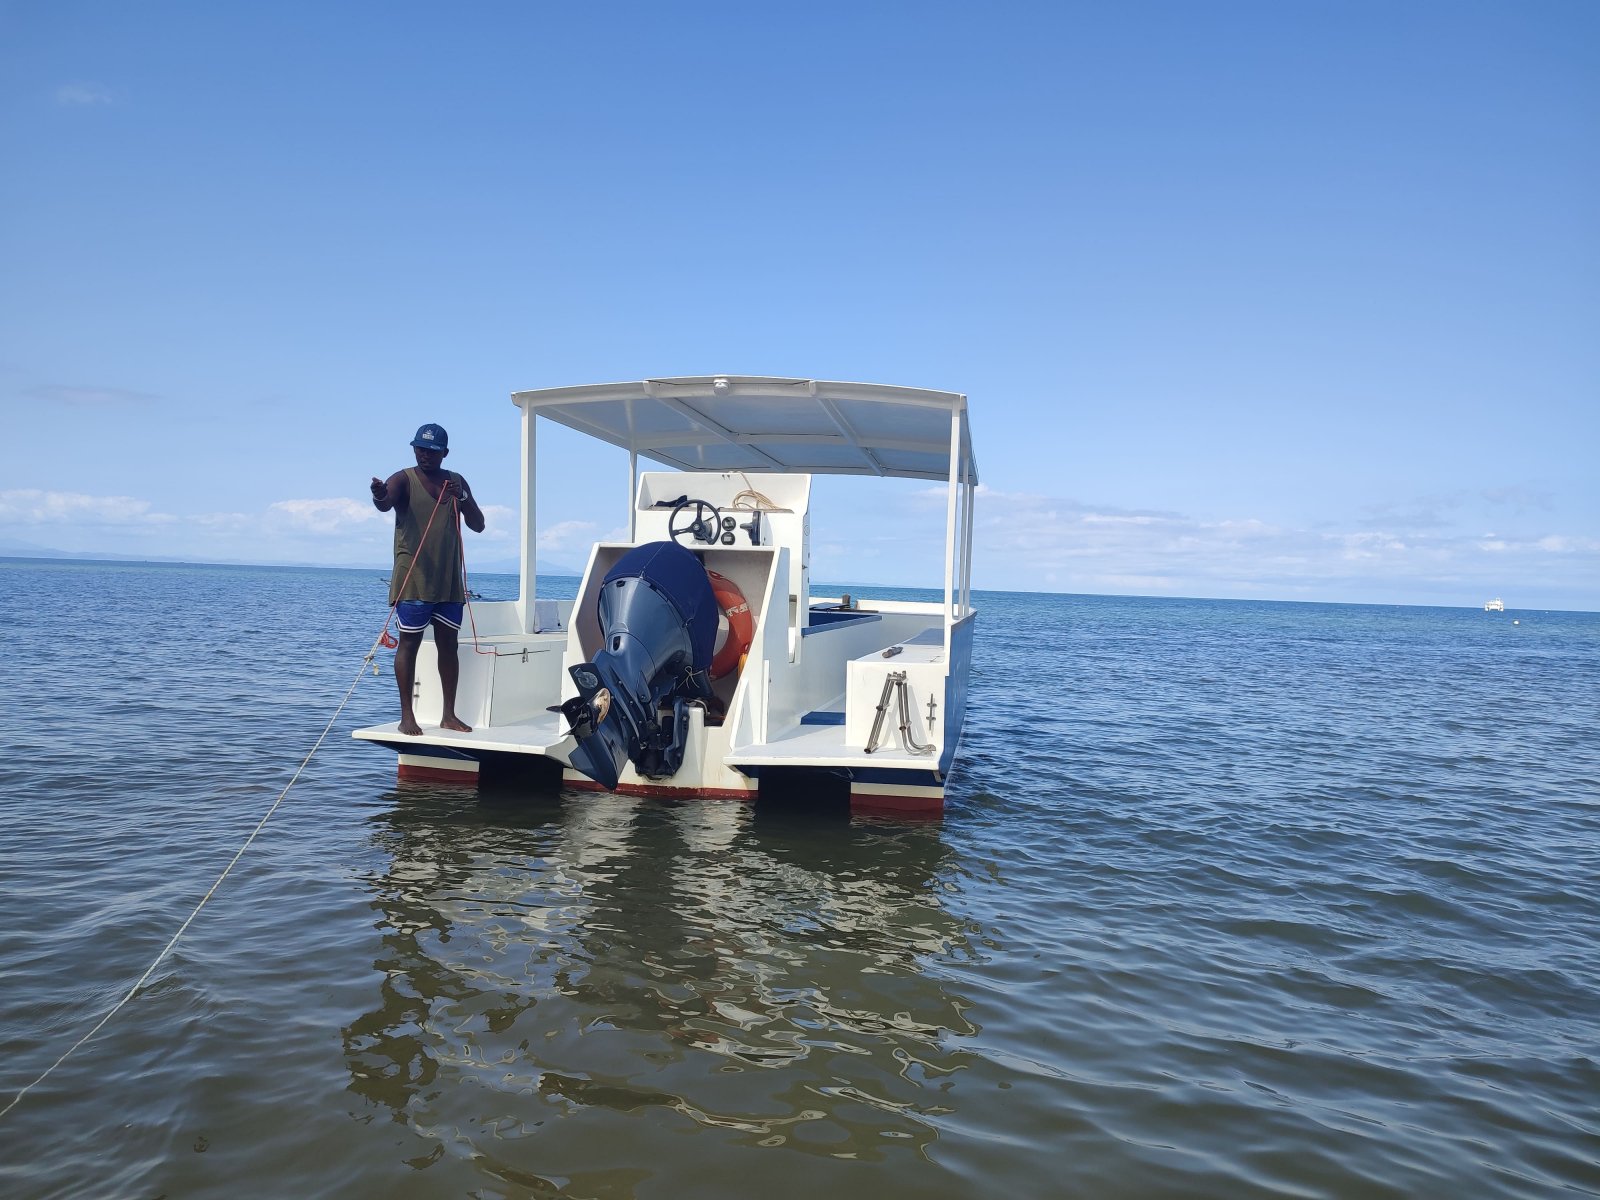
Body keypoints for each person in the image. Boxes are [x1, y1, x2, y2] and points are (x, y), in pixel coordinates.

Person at [370, 422, 486, 736]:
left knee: (449, 645)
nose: (425, 455)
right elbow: (385, 502)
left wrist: (461, 496)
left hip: (448, 580)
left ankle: (449, 715)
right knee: (410, 643)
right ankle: (407, 716)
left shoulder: (456, 481)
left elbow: (478, 524)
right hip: (414, 579)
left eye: (433, 451)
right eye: (420, 448)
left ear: (444, 453)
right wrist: (379, 495)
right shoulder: (403, 479)